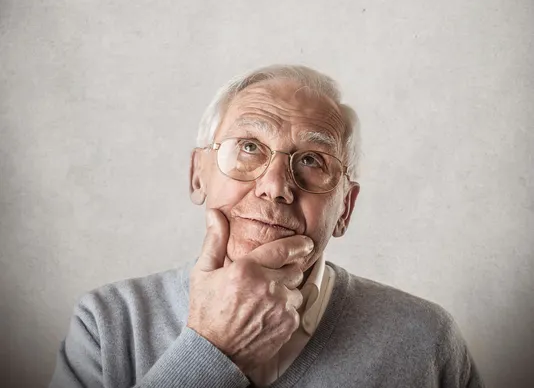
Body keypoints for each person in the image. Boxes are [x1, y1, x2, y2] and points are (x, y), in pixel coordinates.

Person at [49, 64, 485, 388]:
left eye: (313, 160)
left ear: (346, 208)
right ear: (197, 175)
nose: (275, 187)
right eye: (250, 147)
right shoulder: (107, 324)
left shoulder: (424, 338)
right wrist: (211, 350)